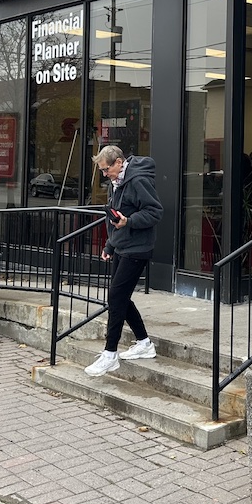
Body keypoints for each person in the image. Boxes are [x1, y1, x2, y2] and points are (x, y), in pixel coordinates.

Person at [85, 145, 164, 377]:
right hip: (122, 246)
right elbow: (116, 215)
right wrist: (110, 245)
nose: (105, 174)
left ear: (119, 162)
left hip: (138, 248)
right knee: (120, 297)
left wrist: (128, 221)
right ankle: (144, 343)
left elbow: (155, 212)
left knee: (116, 298)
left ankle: (110, 354)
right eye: (102, 170)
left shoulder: (138, 180)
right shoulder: (117, 181)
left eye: (106, 169)